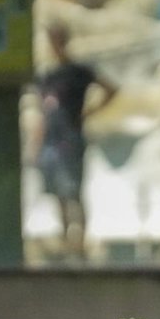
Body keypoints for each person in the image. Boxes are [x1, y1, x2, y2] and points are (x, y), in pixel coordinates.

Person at [32, 23, 118, 261]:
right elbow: (43, 112)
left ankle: (80, 243)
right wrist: (36, 142)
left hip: (70, 139)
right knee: (57, 194)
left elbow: (111, 88)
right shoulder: (47, 75)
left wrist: (90, 111)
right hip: (51, 141)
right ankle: (65, 240)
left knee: (74, 192)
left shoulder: (78, 71)